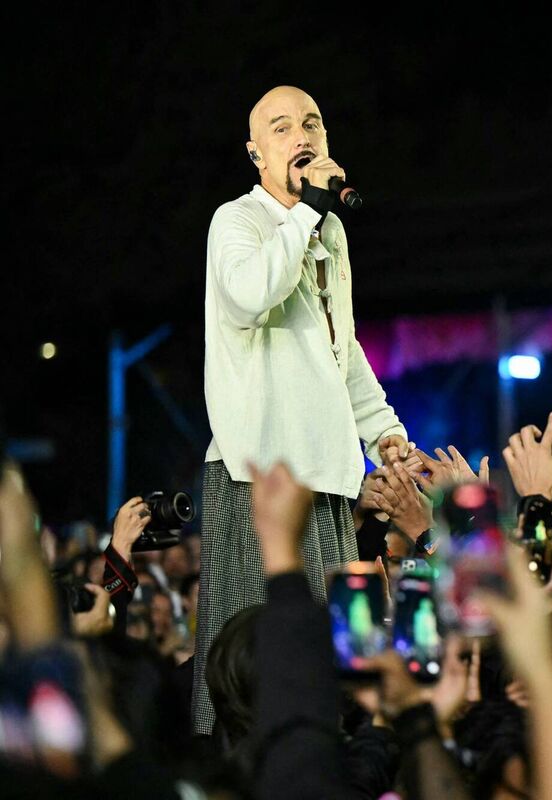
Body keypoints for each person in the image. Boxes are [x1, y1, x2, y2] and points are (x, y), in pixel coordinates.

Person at [193, 85, 410, 734]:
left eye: (312, 122)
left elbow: (339, 350)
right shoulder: (239, 221)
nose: (302, 135)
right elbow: (251, 296)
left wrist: (385, 433)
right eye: (282, 127)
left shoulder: (329, 231)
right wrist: (307, 211)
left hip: (330, 479)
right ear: (257, 154)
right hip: (260, 480)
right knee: (265, 668)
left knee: (334, 675)